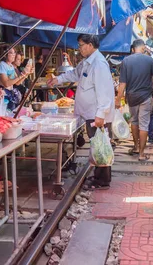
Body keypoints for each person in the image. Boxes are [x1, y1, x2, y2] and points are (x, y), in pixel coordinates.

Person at [48, 34, 115, 190]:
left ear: (90, 45)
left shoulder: (99, 64)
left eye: (80, 45)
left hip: (96, 114)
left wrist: (101, 115)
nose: (79, 49)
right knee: (96, 144)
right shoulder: (87, 62)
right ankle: (99, 175)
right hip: (90, 113)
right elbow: (74, 74)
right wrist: (58, 79)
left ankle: (102, 180)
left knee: (100, 145)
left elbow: (104, 92)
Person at [116, 40, 153, 161]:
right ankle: (142, 154)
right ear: (143, 48)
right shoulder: (149, 60)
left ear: (133, 49)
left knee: (134, 122)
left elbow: (122, 83)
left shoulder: (126, 61)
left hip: (132, 97)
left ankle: (136, 147)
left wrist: (118, 99)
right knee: (144, 124)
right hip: (146, 97)